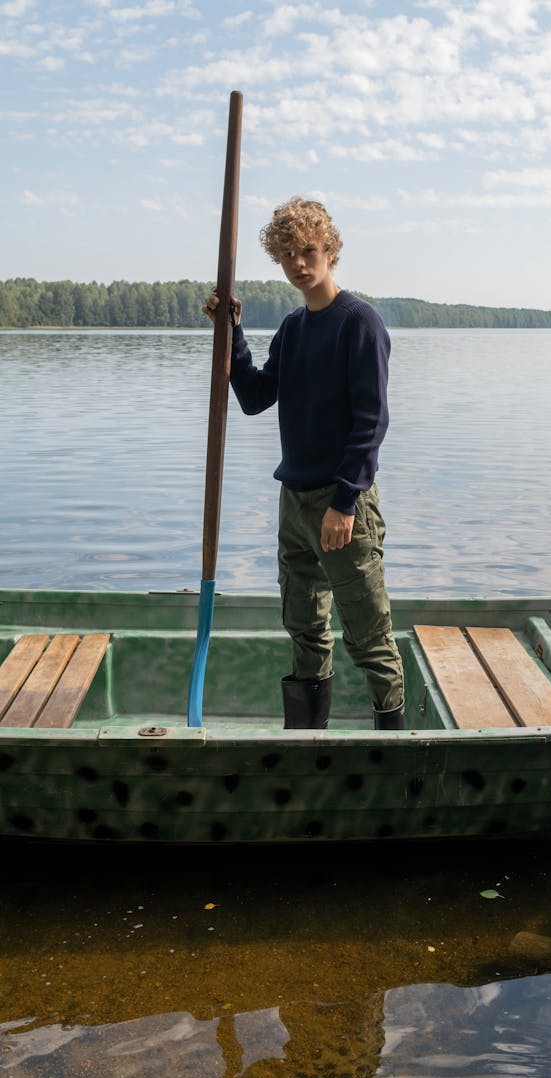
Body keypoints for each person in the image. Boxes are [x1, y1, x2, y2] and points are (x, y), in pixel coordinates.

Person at [204, 197, 405, 731]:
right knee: (303, 626)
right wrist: (233, 331)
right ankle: (307, 741)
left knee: (367, 633)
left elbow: (372, 422)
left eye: (309, 250)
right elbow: (254, 396)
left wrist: (344, 503)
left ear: (330, 250)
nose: (299, 263)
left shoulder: (359, 323)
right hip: (294, 503)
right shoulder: (293, 327)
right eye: (288, 253)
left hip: (343, 505)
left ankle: (393, 742)